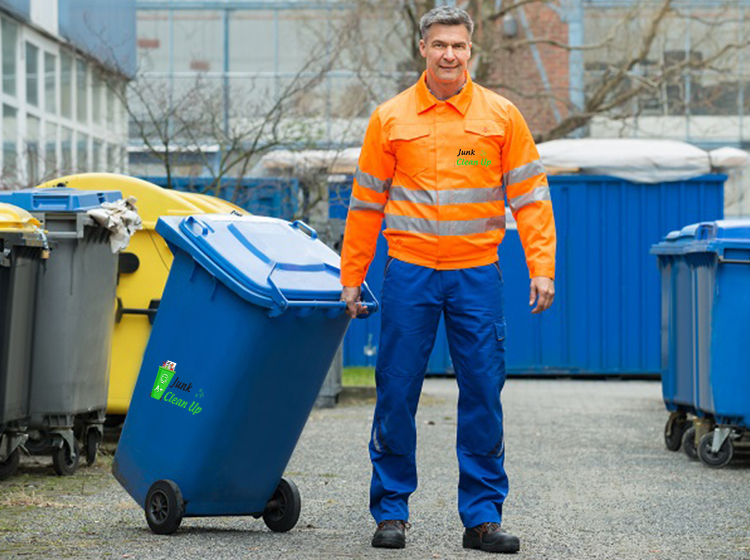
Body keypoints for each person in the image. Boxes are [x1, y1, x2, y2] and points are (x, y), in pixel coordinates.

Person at [340, 5, 556, 554]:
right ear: (422, 48)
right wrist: (351, 277)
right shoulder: (390, 119)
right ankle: (391, 512)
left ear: (470, 50)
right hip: (409, 273)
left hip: (476, 275)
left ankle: (482, 518)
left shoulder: (500, 116)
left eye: (458, 45)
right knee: (395, 391)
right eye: (439, 44)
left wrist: (542, 267)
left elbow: (531, 198)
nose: (449, 54)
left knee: (483, 393)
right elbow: (365, 206)